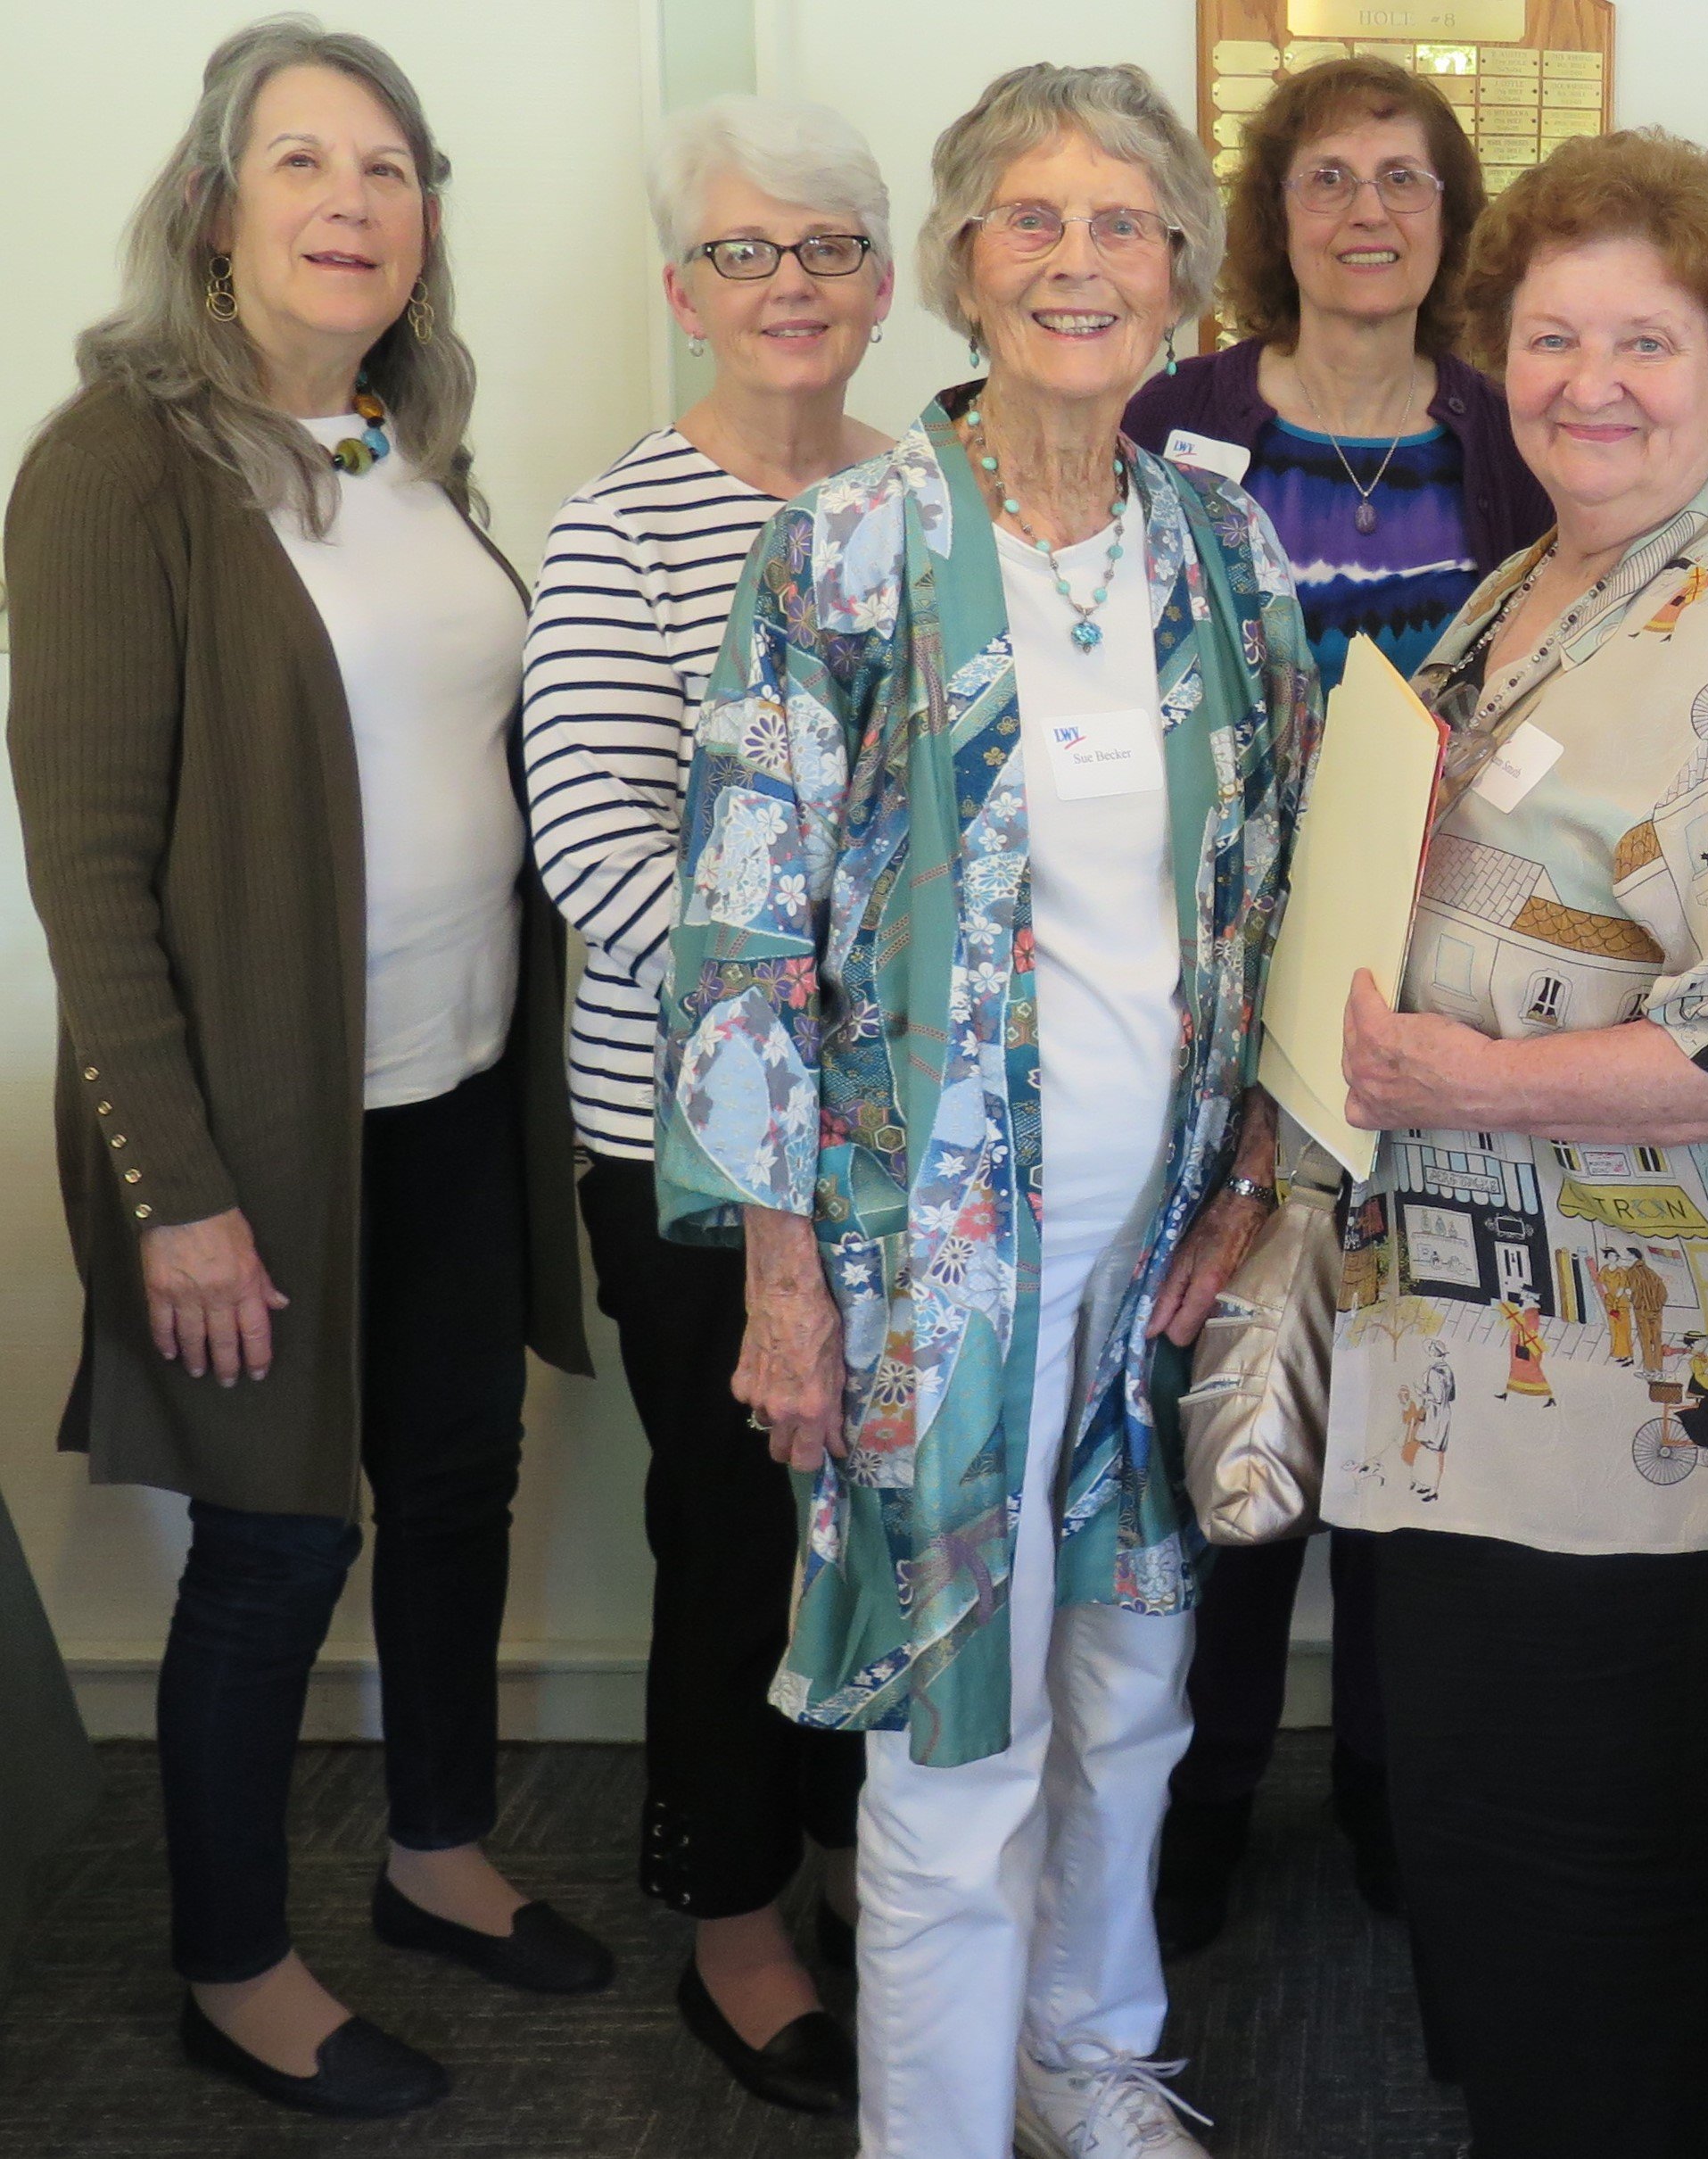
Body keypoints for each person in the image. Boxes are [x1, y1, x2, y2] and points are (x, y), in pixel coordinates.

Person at [658, 60, 1316, 2159]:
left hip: (1157, 1242)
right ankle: (930, 2125)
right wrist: (781, 1280)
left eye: (1124, 223)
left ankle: (1084, 2046)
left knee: (1135, 1688)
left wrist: (1247, 1179)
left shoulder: (1224, 553)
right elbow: (744, 930)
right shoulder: (843, 550)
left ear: (1180, 280)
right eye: (1033, 219)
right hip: (923, 1266)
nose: (1078, 259)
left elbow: (1274, 900)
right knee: (959, 1729)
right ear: (960, 263)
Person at [1317, 128, 1708, 2159]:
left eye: (1647, 340)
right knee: (1509, 1881)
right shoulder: (1549, 580)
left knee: (1611, 1898)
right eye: (1552, 333)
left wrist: (1458, 1083)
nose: (1591, 378)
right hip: (1485, 1374)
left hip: (1657, 1403)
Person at [4, 18, 599, 2122]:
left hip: (450, 1089)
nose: (354, 204)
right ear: (211, 207)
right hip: (251, 1136)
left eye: (392, 169)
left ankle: (436, 1849)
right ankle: (231, 1959)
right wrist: (175, 1185)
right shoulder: (114, 464)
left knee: (454, 1483)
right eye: (304, 164)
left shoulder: (404, 452)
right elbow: (84, 860)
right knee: (272, 1546)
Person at [1122, 52, 1552, 1956]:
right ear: (1267, 215)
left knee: (1411, 1398)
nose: (1365, 214)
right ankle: (1202, 1787)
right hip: (1210, 994)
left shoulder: (1512, 428)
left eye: (1402, 180)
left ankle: (1392, 1779)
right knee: (1215, 1376)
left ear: (1450, 220)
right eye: (1325, 180)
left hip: (1445, 999)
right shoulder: (1172, 416)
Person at [520, 93, 896, 2115]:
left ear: (888, 281)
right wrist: (839, 1014)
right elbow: (596, 846)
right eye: (747, 253)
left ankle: (844, 1856)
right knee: (739, 1526)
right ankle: (732, 1925)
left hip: (908, 1159)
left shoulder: (932, 501)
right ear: (685, 292)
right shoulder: (618, 524)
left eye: (827, 246)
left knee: (873, 1526)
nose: (790, 284)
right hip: (687, 1150)